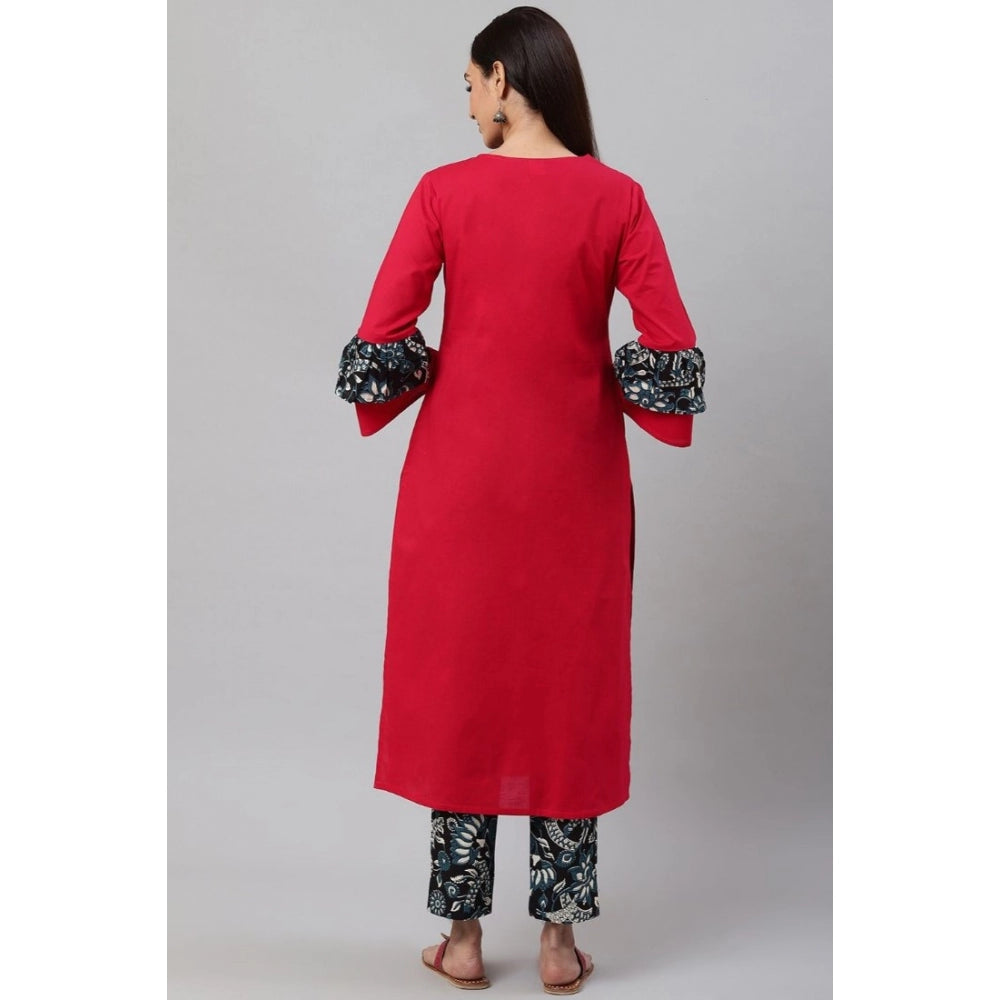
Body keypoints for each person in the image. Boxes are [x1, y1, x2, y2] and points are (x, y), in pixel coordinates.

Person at [335, 6, 707, 993]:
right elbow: (671, 349)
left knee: (462, 696)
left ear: (503, 78)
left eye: (469, 84)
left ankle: (461, 940)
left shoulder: (442, 193)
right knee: (566, 700)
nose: (467, 105)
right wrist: (594, 382)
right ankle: (558, 943)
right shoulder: (617, 199)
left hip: (459, 486)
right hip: (576, 486)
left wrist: (446, 369)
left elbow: (381, 339)